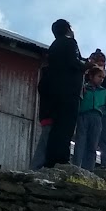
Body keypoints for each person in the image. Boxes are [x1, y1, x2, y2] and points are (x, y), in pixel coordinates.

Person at [41, 19, 85, 167]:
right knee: (66, 127)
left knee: (56, 127)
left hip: (56, 92)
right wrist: (87, 65)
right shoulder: (70, 42)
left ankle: (51, 159)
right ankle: (62, 159)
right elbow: (74, 62)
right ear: (67, 29)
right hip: (69, 91)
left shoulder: (53, 47)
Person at [73, 65, 106, 171]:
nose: (101, 79)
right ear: (91, 76)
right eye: (99, 76)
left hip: (97, 118)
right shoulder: (83, 89)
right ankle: (76, 166)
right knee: (80, 142)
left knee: (93, 144)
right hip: (83, 116)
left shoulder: (104, 92)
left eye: (102, 77)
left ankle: (89, 169)